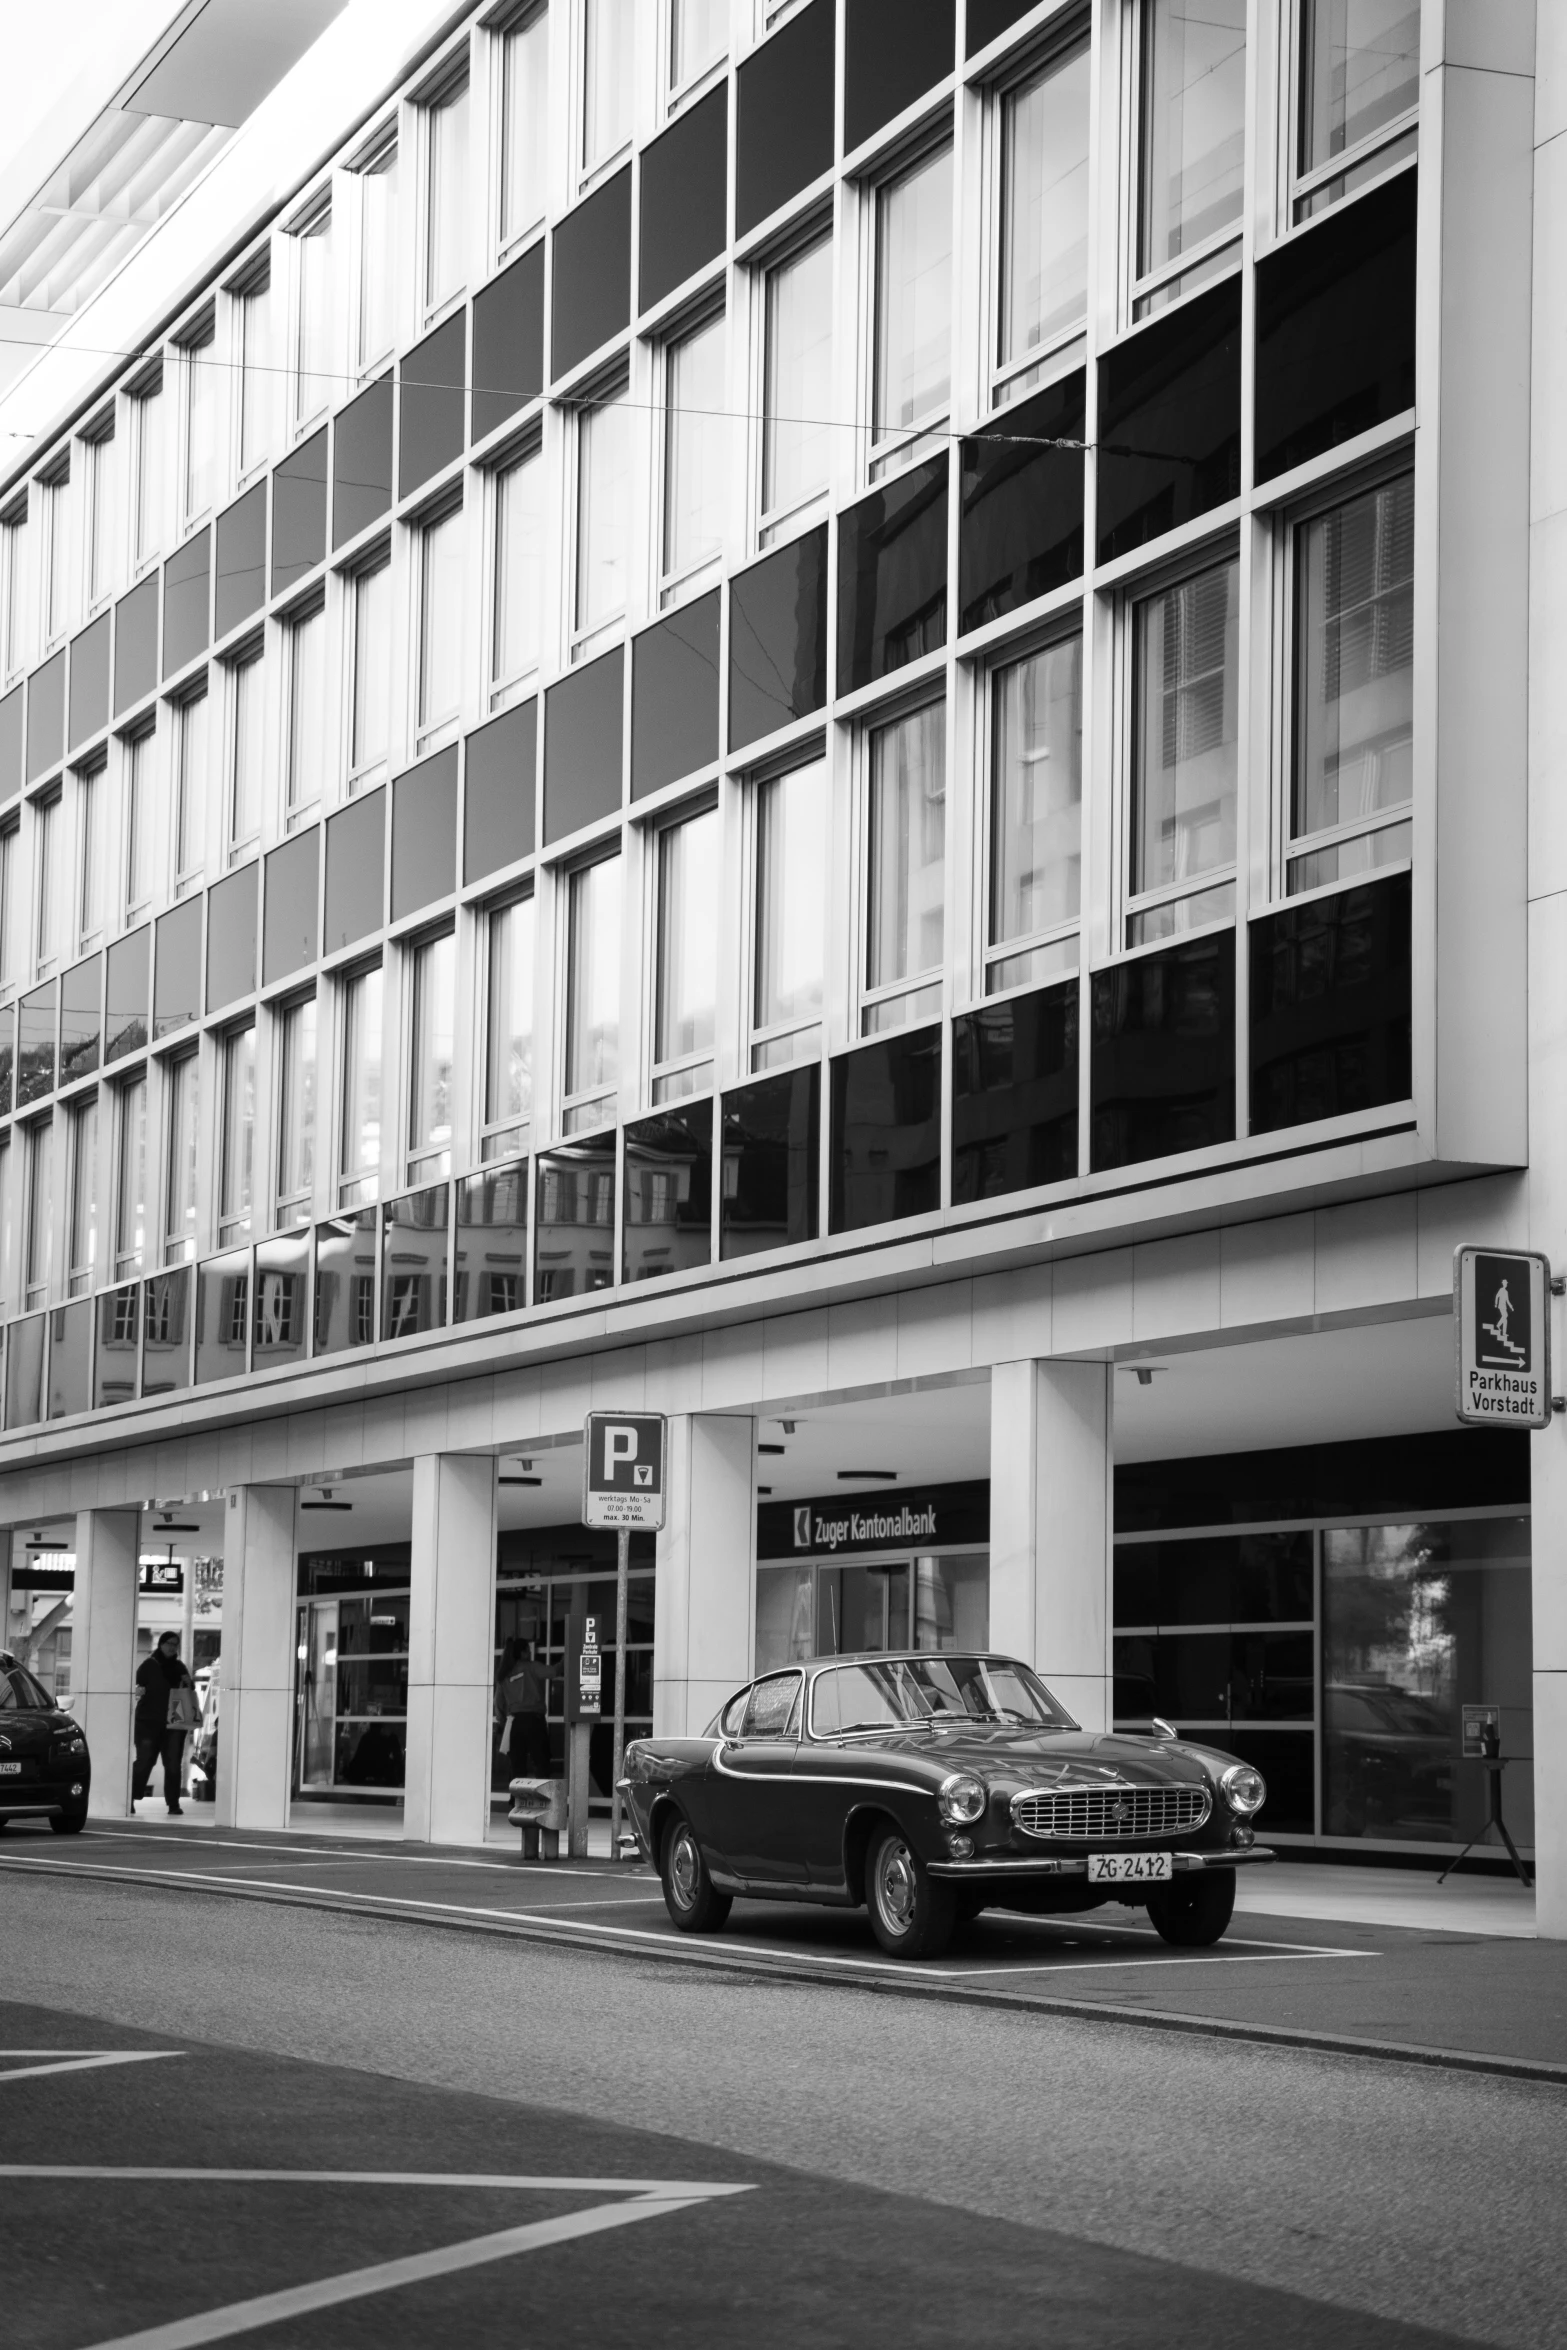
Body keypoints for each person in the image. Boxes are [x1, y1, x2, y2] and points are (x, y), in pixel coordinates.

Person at [132, 1632, 197, 1816]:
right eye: (169, 1643)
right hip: (148, 1722)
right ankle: (130, 1798)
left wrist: (188, 1682)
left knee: (173, 1764)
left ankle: (173, 1804)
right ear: (160, 1644)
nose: (172, 1647)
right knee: (144, 1762)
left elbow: (189, 1690)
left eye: (175, 1644)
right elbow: (137, 1689)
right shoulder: (148, 1665)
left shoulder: (178, 1667)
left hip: (174, 1723)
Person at [496, 1637, 550, 1778]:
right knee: (541, 1763)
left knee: (517, 1767)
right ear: (523, 1652)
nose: (530, 1653)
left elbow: (498, 1703)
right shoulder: (531, 1667)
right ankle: (543, 1799)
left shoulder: (505, 1673)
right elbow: (553, 1672)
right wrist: (565, 1661)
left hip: (515, 1723)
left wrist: (502, 1722)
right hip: (534, 1721)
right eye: (529, 1650)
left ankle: (517, 1799)